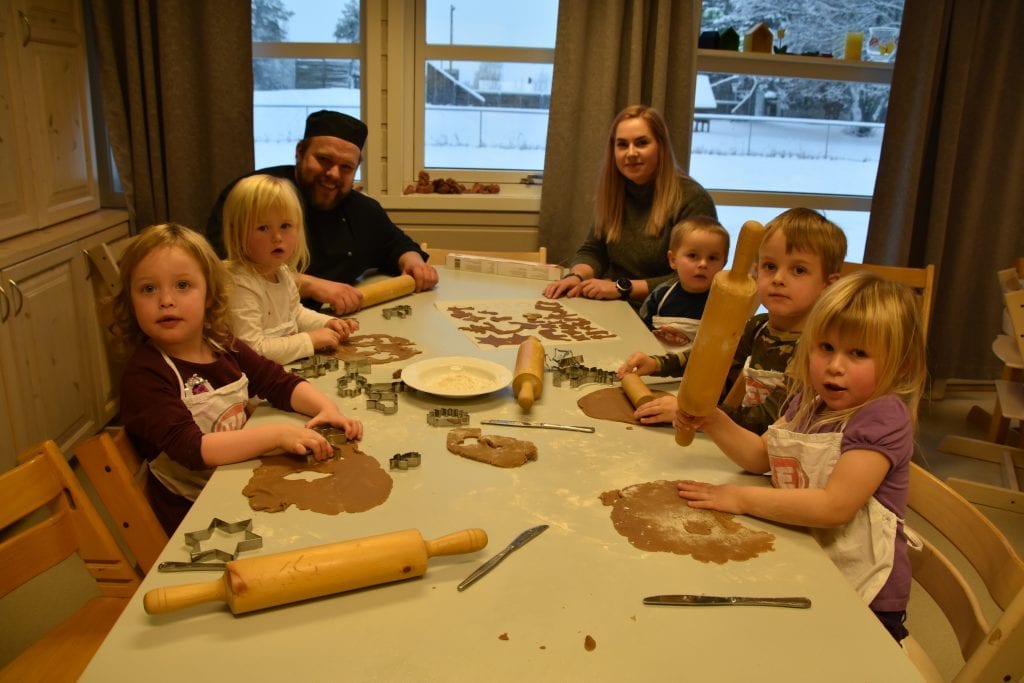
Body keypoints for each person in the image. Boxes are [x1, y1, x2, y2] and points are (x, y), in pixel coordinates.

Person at [674, 272, 926, 643]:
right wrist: (712, 419)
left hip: (862, 598)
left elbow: (833, 507)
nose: (835, 365)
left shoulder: (882, 417)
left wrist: (740, 498)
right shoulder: (809, 402)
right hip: (809, 557)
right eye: (825, 347)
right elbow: (763, 457)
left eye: (857, 353)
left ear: (900, 366)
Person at [111, 223, 363, 534]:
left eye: (182, 285)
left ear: (209, 294)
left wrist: (326, 409)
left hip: (239, 481)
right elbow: (193, 449)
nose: (166, 300)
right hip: (195, 516)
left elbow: (276, 381)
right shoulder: (146, 375)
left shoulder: (222, 343)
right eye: (148, 289)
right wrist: (276, 435)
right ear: (131, 301)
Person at [617, 208, 846, 433]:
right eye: (770, 266)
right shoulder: (758, 326)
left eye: (798, 270)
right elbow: (709, 361)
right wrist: (657, 364)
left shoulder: (818, 348)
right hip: (741, 442)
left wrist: (694, 412)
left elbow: (768, 420)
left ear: (828, 284)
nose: (778, 279)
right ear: (756, 271)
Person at [206, 110, 437, 314]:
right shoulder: (255, 194)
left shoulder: (363, 209)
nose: (334, 174)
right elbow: (225, 268)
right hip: (264, 326)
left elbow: (396, 244)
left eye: (346, 167)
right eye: (324, 160)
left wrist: (414, 263)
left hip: (338, 322)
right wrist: (314, 286)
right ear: (300, 153)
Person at [543, 104, 717, 305]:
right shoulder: (614, 192)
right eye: (622, 145)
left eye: (641, 143)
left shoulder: (693, 199)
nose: (631, 153)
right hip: (616, 303)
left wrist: (621, 288)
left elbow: (695, 278)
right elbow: (594, 250)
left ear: (661, 147)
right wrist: (577, 277)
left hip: (664, 313)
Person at [221, 174, 359, 365]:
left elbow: (295, 313)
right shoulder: (240, 284)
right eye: (263, 228)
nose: (277, 237)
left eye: (285, 226)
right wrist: (310, 340)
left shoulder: (282, 272)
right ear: (238, 233)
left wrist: (325, 323)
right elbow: (252, 351)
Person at [637, 216, 730, 352]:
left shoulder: (725, 303)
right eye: (693, 255)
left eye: (712, 258)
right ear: (673, 260)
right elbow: (640, 330)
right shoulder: (661, 295)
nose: (703, 264)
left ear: (723, 264)